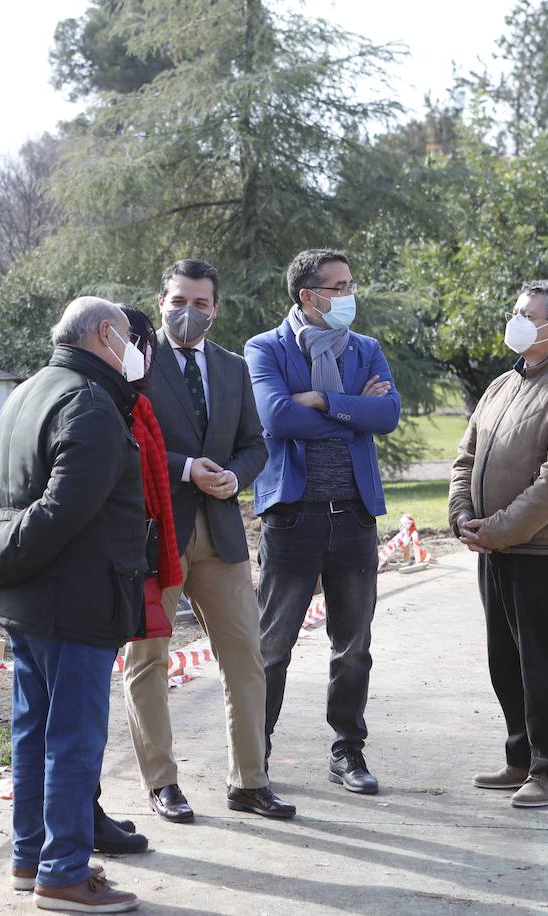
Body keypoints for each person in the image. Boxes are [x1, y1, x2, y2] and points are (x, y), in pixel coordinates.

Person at [0, 296, 144, 913]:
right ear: (101, 335)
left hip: (29, 603)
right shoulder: (88, 404)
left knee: (33, 732)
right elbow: (61, 511)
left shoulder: (28, 391)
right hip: (76, 600)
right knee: (72, 738)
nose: (134, 351)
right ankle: (63, 873)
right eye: (126, 335)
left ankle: (30, 856)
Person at [122, 260, 295, 823]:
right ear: (161, 299)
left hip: (220, 535)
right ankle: (162, 782)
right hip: (154, 534)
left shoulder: (233, 368)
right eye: (178, 301)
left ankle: (249, 781)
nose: (188, 312)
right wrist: (185, 468)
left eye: (200, 303)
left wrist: (235, 476)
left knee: (247, 656)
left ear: (215, 309)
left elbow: (255, 443)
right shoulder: (136, 367)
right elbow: (126, 440)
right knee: (148, 659)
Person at [244, 249, 400, 795]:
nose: (349, 294)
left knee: (353, 644)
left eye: (351, 283)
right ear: (308, 295)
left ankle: (348, 751)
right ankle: (253, 753)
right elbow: (276, 419)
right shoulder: (264, 348)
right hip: (292, 518)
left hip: (354, 518)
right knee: (272, 646)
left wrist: (323, 401)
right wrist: (350, 408)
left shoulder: (366, 350)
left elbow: (387, 415)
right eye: (339, 286)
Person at [449, 280, 548, 809]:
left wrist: (500, 529)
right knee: (504, 660)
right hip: (493, 547)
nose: (515, 320)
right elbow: (464, 458)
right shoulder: (501, 386)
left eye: (525, 314)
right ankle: (519, 758)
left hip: (541, 549)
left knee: (540, 661)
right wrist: (463, 516)